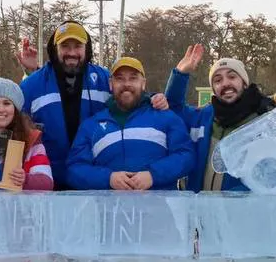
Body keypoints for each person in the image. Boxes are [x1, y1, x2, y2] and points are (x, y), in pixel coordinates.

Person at [66, 57, 195, 191]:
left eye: (133, 78)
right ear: (110, 84)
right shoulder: (91, 125)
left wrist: (153, 175)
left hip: (158, 209)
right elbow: (74, 169)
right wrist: (108, 178)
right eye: (120, 78)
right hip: (109, 210)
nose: (126, 84)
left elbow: (186, 156)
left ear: (143, 83)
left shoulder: (165, 116)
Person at [161, 44, 275, 191]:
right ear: (213, 89)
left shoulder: (262, 120)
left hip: (240, 210)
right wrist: (181, 74)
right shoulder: (202, 117)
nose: (225, 83)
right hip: (198, 210)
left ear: (244, 83)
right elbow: (173, 110)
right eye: (218, 80)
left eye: (232, 77)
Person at [16, 20, 112, 186]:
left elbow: (131, 99)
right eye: (65, 46)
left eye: (78, 46)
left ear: (87, 49)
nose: (72, 52)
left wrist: (153, 100)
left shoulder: (104, 79)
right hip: (47, 183)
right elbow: (11, 122)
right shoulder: (32, 84)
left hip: (94, 181)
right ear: (55, 49)